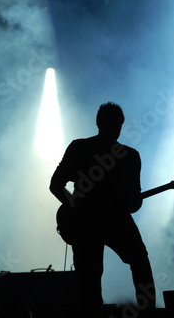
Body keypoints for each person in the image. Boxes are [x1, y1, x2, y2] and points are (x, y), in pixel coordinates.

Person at [49, 102, 155, 310]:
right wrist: (76, 208)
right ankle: (147, 310)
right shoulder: (126, 155)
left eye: (115, 125)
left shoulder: (83, 148)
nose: (114, 129)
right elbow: (55, 185)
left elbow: (56, 185)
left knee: (97, 275)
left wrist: (75, 208)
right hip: (101, 222)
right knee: (137, 263)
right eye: (111, 125)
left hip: (97, 222)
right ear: (100, 124)